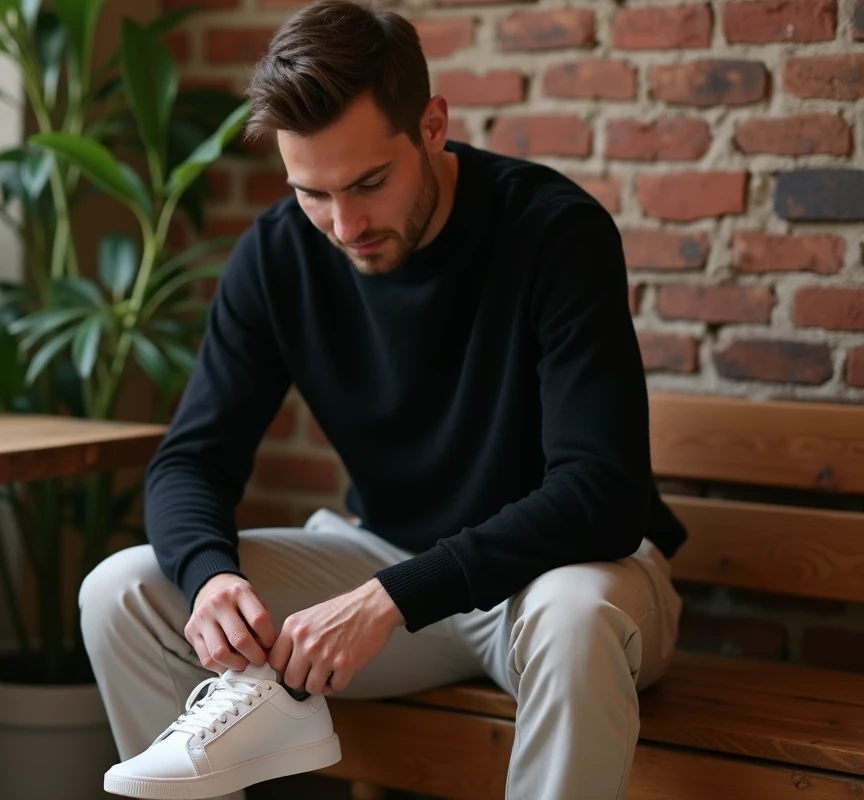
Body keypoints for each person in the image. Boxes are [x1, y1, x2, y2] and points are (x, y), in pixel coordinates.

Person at [80, 1, 688, 798]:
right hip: (392, 569)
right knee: (123, 592)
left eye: (369, 182)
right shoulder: (276, 255)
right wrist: (209, 580)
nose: (344, 224)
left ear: (433, 125)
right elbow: (191, 458)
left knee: (574, 617)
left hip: (567, 578)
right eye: (313, 193)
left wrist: (389, 599)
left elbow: (602, 496)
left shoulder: (553, 232)